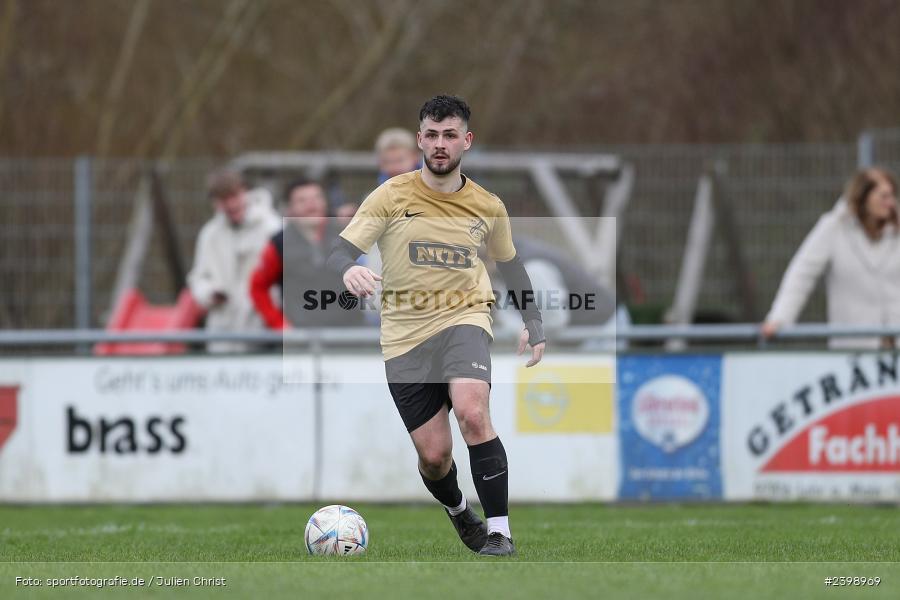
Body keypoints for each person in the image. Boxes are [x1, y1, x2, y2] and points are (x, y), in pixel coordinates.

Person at [326, 95, 545, 556]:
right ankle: (459, 511)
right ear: (419, 139)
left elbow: (511, 266)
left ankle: (500, 532)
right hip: (404, 337)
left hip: (465, 319)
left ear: (467, 141)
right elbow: (339, 251)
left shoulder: (487, 205)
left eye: (450, 135)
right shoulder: (390, 195)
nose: (440, 144)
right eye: (431, 134)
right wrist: (348, 270)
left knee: (472, 411)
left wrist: (533, 320)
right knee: (434, 457)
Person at [762, 167, 900, 349]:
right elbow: (802, 273)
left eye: (891, 196)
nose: (889, 203)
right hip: (854, 350)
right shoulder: (834, 227)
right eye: (883, 196)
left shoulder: (896, 230)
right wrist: (779, 319)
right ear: (863, 197)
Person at [187, 169, 281, 353]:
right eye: (223, 199)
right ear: (215, 203)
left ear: (245, 191)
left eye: (234, 196)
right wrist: (210, 294)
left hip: (263, 329)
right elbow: (198, 277)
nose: (230, 204)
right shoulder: (210, 235)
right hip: (222, 330)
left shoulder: (272, 228)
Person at [250, 177, 363, 329]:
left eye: (317, 197)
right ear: (289, 208)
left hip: (351, 333)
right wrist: (279, 324)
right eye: (302, 200)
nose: (311, 204)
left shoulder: (347, 233)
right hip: (302, 338)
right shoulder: (279, 243)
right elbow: (258, 287)